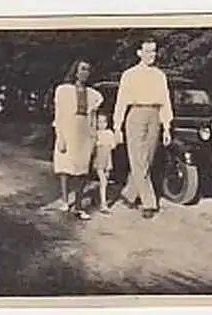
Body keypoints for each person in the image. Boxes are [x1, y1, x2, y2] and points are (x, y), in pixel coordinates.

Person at [111, 37, 174, 219]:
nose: (151, 55)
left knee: (147, 159)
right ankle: (149, 202)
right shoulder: (129, 75)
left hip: (154, 115)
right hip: (135, 115)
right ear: (139, 53)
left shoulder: (159, 75)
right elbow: (121, 101)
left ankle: (129, 193)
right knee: (138, 159)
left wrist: (167, 127)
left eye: (153, 51)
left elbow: (165, 101)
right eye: (147, 51)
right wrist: (117, 126)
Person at [52, 59, 104, 220]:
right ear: (75, 71)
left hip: (84, 130)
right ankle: (65, 200)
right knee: (65, 166)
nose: (85, 73)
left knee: (82, 169)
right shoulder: (63, 90)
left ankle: (79, 205)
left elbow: (93, 116)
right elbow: (59, 114)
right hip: (68, 127)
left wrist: (94, 136)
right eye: (82, 69)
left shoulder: (93, 94)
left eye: (88, 70)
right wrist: (60, 136)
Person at [92, 111, 117, 215]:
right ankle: (103, 203)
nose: (102, 124)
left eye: (104, 122)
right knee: (103, 180)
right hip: (99, 158)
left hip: (107, 157)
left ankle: (98, 198)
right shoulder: (95, 133)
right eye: (99, 122)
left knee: (105, 180)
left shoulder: (109, 133)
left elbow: (113, 145)